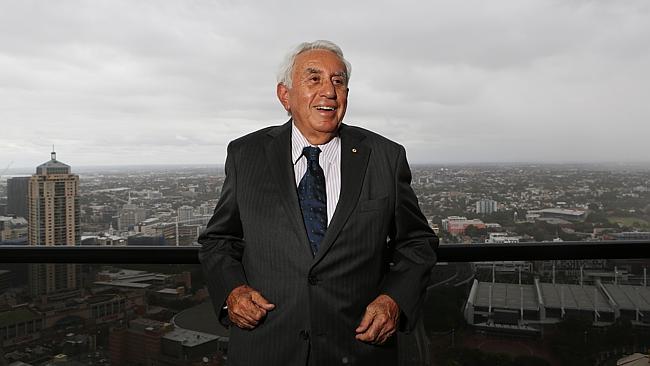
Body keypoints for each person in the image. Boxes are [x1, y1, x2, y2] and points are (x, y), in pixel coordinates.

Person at [198, 40, 438, 366]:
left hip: (357, 348)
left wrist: (394, 300)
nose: (329, 91)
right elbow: (218, 241)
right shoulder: (246, 155)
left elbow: (417, 243)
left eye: (338, 81)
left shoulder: (385, 157)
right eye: (314, 79)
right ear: (285, 95)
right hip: (265, 348)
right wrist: (232, 292)